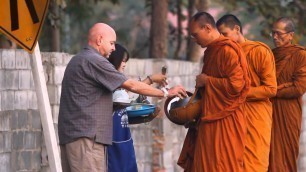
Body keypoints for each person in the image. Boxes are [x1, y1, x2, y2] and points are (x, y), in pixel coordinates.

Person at [58, 23, 187, 172]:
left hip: (77, 136)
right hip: (87, 139)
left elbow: (114, 104)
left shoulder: (80, 59)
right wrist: (166, 93)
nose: (113, 48)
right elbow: (130, 85)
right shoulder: (93, 60)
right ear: (99, 40)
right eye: (111, 43)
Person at [178, 12, 250, 172]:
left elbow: (236, 85)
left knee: (222, 165)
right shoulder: (211, 51)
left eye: (195, 35)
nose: (194, 40)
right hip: (209, 119)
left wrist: (207, 81)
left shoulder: (227, 51)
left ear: (207, 28)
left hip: (226, 120)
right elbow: (210, 92)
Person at [216, 14, 277, 172]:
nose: (223, 39)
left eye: (225, 34)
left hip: (256, 117)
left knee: (254, 164)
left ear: (237, 29)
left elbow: (271, 89)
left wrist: (240, 92)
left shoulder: (259, 52)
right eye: (220, 36)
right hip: (232, 118)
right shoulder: (224, 56)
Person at [107, 43, 167, 172]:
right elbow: (130, 88)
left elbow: (123, 114)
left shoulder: (119, 90)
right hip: (111, 144)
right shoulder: (109, 86)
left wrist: (146, 117)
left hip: (125, 141)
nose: (124, 64)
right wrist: (152, 81)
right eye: (122, 61)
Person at [268, 17, 306, 172]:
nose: (275, 37)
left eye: (279, 33)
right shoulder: (269, 55)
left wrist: (271, 90)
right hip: (268, 112)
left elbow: (299, 88)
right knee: (267, 157)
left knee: (285, 159)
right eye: (273, 33)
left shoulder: (300, 55)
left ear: (291, 35)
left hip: (288, 114)